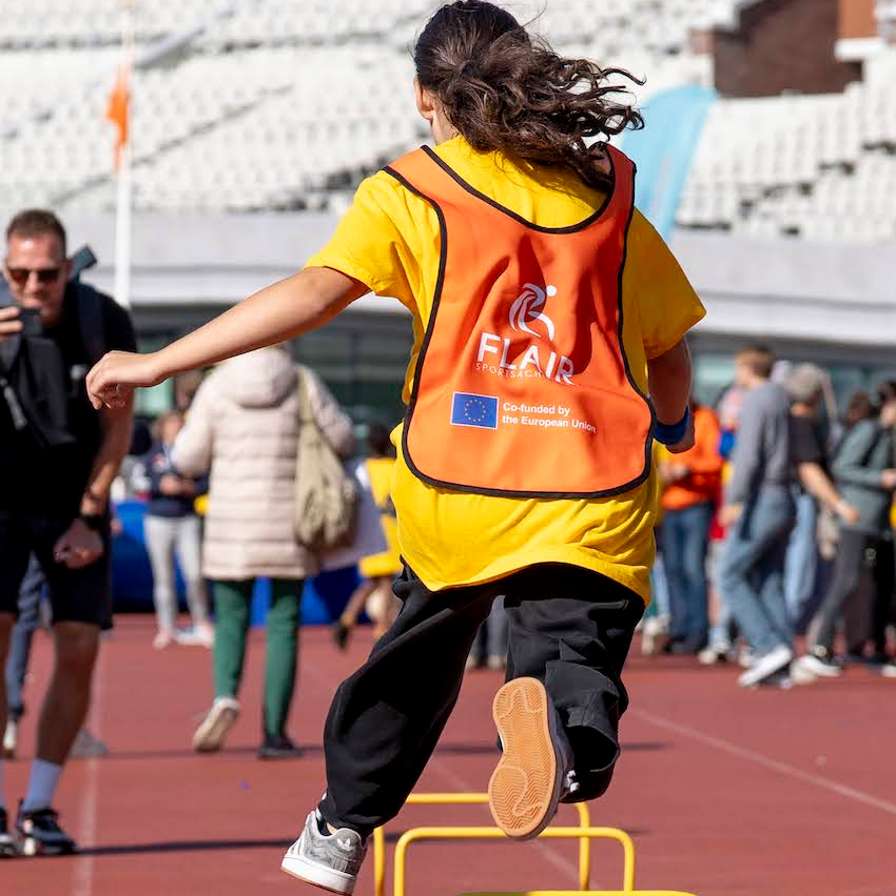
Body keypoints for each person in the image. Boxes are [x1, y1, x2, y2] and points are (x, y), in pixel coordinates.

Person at [85, 3, 703, 891]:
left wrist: (157, 362)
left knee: (416, 654)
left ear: (423, 95)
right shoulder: (604, 194)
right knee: (577, 640)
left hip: (462, 477)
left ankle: (343, 822)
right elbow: (669, 353)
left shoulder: (414, 191)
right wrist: (673, 425)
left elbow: (312, 294)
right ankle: (569, 733)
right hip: (589, 472)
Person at [0, 209, 135, 856]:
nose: (32, 286)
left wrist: (90, 512)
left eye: (46, 274)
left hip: (76, 501)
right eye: (19, 273)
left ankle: (39, 806)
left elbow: (118, 428)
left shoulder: (103, 319)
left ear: (67, 267)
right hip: (1, 502)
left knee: (78, 645)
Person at [172, 346, 354, 759]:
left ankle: (225, 694)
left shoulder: (217, 384)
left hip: (231, 521)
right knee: (283, 623)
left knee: (230, 617)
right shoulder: (302, 380)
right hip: (290, 520)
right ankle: (274, 733)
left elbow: (188, 457)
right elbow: (342, 437)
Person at [796, 381, 896, 679]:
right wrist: (881, 478)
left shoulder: (886, 433)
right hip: (857, 517)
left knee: (878, 584)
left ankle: (872, 647)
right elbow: (842, 467)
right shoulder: (869, 430)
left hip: (877, 522)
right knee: (846, 580)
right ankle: (820, 646)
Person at [717, 346, 797, 687]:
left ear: (748, 367)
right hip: (784, 494)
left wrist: (734, 498)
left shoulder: (755, 400)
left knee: (729, 574)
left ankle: (767, 645)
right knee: (769, 578)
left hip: (762, 496)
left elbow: (748, 454)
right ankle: (782, 659)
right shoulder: (782, 398)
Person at [783, 365, 859, 636]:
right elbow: (809, 470)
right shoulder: (801, 424)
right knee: (801, 569)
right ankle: (789, 630)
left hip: (797, 500)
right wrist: (839, 504)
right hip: (802, 501)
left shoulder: (796, 422)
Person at [143, 410, 213, 650]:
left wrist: (187, 487)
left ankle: (201, 622)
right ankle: (166, 627)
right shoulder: (153, 453)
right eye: (172, 425)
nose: (176, 429)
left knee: (195, 574)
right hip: (158, 520)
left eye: (179, 425)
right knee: (163, 577)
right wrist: (160, 484)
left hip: (186, 519)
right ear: (163, 428)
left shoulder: (194, 453)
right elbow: (142, 479)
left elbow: (206, 482)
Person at [657, 399, 722, 654]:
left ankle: (698, 631)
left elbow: (716, 460)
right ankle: (678, 629)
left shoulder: (705, 418)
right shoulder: (663, 411)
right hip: (669, 504)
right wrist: (664, 470)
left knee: (693, 567)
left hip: (696, 503)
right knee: (672, 569)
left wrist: (688, 468)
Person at [332, 424, 402, 650]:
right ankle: (382, 627)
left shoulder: (362, 468)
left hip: (368, 528)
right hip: (390, 530)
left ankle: (347, 617)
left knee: (372, 581)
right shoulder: (395, 467)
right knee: (386, 582)